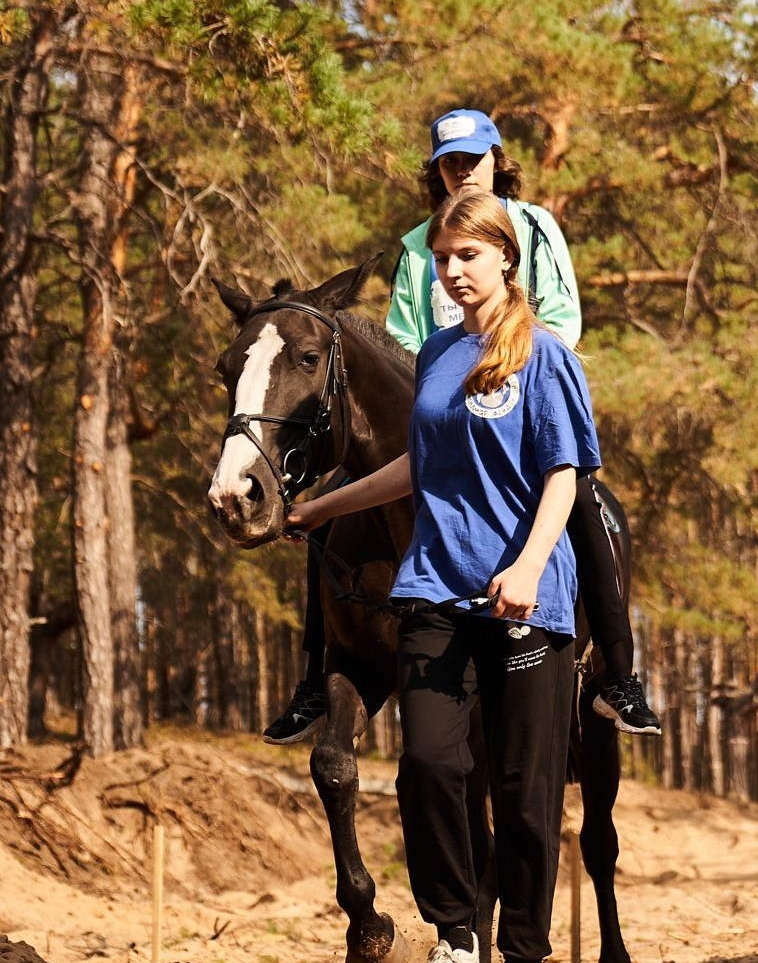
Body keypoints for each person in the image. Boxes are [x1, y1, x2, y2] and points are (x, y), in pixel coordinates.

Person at [278, 188, 595, 963]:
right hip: (434, 589)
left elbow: (564, 472)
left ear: (504, 258)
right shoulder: (439, 357)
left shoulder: (545, 355)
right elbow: (419, 465)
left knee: (526, 788)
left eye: (468, 256)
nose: (453, 271)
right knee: (427, 765)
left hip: (526, 598)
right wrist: (324, 507)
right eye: (443, 258)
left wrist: (529, 562)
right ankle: (457, 942)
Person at [265, 108, 657, 743]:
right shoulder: (420, 246)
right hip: (439, 400)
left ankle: (618, 671)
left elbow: (560, 312)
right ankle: (316, 677)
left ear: (496, 161)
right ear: (438, 172)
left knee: (583, 496)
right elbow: (404, 332)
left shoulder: (535, 226)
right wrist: (442, 378)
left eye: (472, 159)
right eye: (449, 163)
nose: (462, 172)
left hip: (524, 387)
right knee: (336, 508)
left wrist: (507, 366)